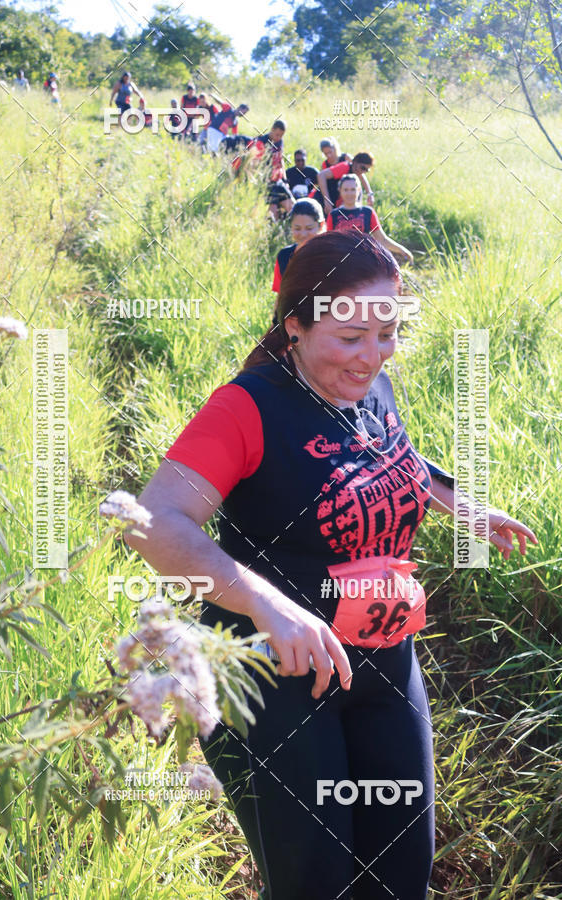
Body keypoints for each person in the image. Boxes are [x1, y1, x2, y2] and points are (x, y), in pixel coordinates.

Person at [126, 230, 537, 900]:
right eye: (350, 339)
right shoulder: (247, 409)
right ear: (296, 325)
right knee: (314, 884)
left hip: (384, 664)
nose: (372, 357)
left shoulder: (368, 386)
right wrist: (264, 601)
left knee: (401, 875)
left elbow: (389, 457)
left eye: (387, 334)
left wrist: (461, 505)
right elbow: (154, 522)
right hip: (275, 677)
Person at [326, 173, 413, 264]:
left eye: (353, 189)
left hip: (363, 259)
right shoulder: (334, 214)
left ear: (359, 190)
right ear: (340, 190)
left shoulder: (367, 212)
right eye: (346, 190)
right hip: (341, 260)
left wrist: (402, 250)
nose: (349, 193)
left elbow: (382, 239)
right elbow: (329, 243)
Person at [272, 198, 325, 294]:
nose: (303, 234)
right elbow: (280, 297)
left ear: (321, 226)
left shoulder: (331, 255)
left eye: (309, 228)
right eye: (297, 228)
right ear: (291, 227)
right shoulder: (284, 256)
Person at [244, 120, 293, 220]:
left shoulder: (280, 142)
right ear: (272, 129)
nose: (279, 138)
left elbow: (280, 160)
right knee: (273, 213)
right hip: (267, 183)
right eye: (277, 134)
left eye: (281, 136)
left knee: (293, 207)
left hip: (278, 181)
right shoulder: (261, 142)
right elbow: (253, 164)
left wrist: (285, 179)